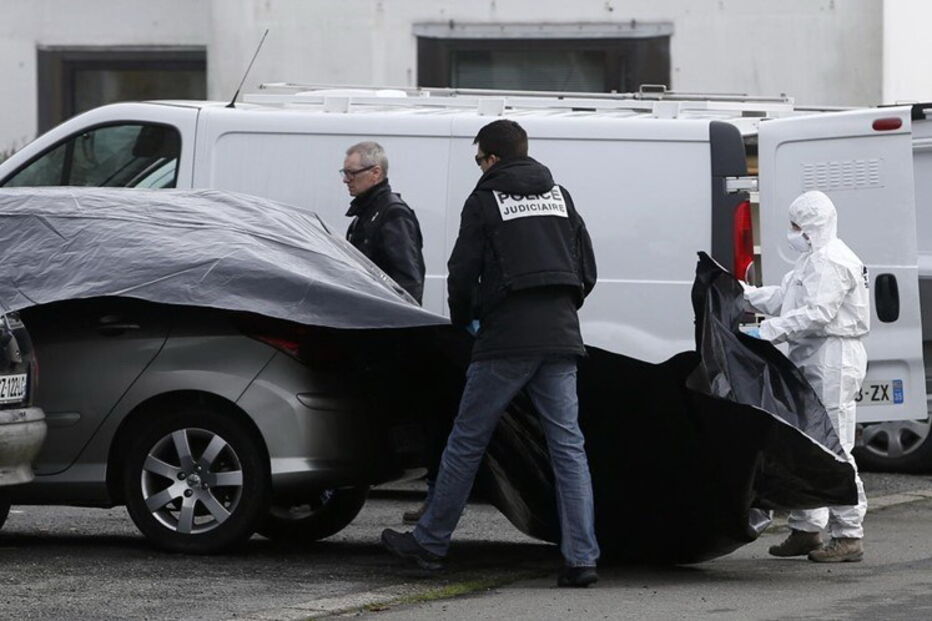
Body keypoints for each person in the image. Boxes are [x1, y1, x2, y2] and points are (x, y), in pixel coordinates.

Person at [380, 119, 601, 587]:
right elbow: (587, 269)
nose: (478, 167)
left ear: (493, 158)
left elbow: (462, 273)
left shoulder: (485, 200)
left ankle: (430, 542)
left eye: (479, 158)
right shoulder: (561, 196)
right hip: (561, 337)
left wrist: (466, 322)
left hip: (506, 339)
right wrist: (563, 306)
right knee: (568, 448)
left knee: (467, 441)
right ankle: (581, 558)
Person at [743, 190, 870, 563]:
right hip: (814, 355)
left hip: (833, 356)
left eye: (796, 226)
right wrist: (744, 295)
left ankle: (849, 535)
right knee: (805, 442)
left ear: (811, 226)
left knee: (834, 447)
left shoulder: (830, 261)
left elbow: (817, 313)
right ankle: (807, 529)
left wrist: (767, 332)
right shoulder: (813, 259)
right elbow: (786, 297)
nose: (792, 232)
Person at [341, 141, 425, 303]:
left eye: (351, 173)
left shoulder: (392, 213)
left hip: (383, 319)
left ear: (375, 173)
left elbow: (408, 282)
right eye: (344, 173)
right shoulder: (364, 213)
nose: (346, 180)